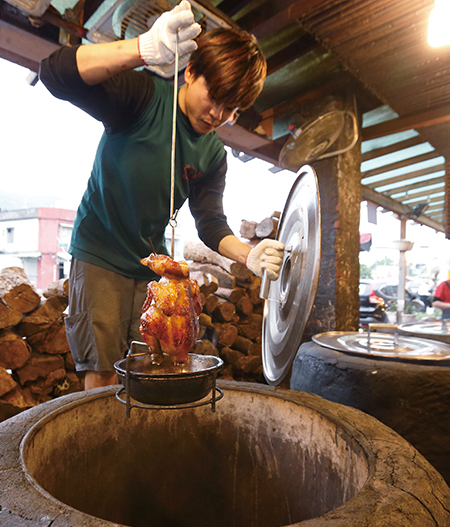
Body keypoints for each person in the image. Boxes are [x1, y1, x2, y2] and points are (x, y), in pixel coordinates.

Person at [39, 2, 284, 390]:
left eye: (231, 108)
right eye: (214, 96)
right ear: (191, 71)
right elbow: (55, 73)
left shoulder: (213, 155)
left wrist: (248, 254)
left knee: (151, 369)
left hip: (152, 270)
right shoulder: (144, 97)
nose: (218, 114)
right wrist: (142, 49)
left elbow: (210, 223)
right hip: (100, 254)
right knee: (101, 373)